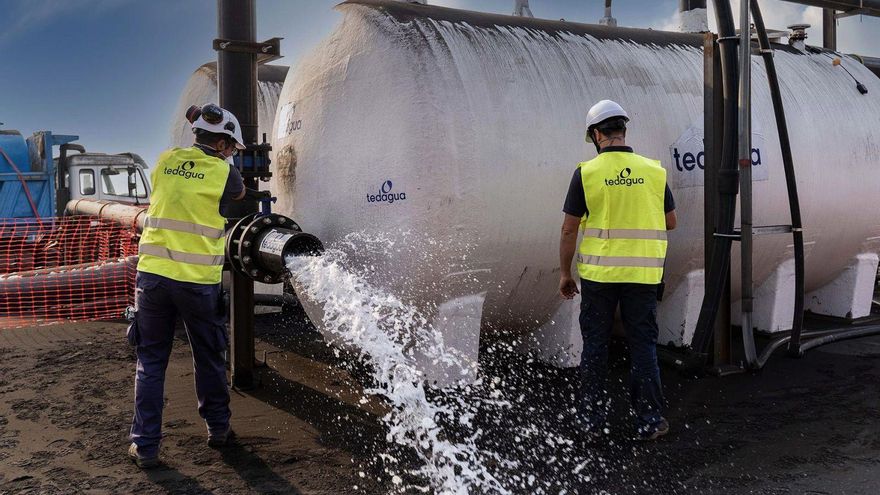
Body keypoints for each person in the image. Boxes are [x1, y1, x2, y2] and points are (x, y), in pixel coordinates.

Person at [127, 103, 247, 468]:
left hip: (152, 279)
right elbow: (239, 197)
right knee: (208, 356)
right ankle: (218, 428)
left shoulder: (164, 160)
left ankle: (145, 446)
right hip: (196, 283)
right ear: (225, 144)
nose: (231, 153)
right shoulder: (225, 173)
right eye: (232, 147)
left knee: (150, 362)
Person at [558, 99, 677, 441]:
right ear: (623, 131)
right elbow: (671, 222)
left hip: (599, 277)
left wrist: (565, 274)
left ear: (596, 135)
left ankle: (591, 422)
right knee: (643, 346)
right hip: (643, 277)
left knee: (595, 346)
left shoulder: (587, 173)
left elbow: (569, 229)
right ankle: (650, 421)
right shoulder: (654, 171)